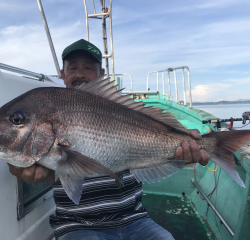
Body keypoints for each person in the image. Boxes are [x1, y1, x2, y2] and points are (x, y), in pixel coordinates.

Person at [8, 39, 209, 240]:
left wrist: (183, 150)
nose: (80, 73)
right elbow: (55, 172)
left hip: (135, 219)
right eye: (73, 67)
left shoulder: (119, 106)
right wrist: (26, 169)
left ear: (102, 74)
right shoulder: (53, 107)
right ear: (62, 74)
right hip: (76, 226)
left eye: (88, 67)